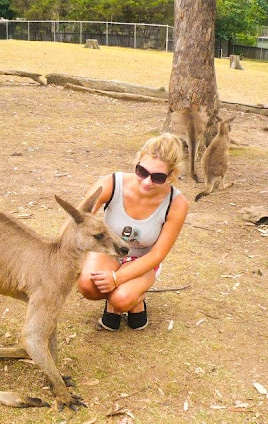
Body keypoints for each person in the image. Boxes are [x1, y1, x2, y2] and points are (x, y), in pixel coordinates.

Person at [76, 133, 189, 331]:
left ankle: (132, 301)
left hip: (143, 259)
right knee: (87, 286)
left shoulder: (176, 203)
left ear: (172, 175)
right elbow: (78, 220)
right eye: (142, 171)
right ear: (137, 163)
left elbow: (158, 254)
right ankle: (124, 297)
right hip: (110, 251)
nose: (147, 182)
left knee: (121, 299)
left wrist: (116, 279)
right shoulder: (112, 183)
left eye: (158, 177)